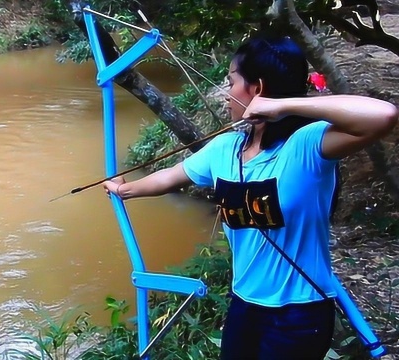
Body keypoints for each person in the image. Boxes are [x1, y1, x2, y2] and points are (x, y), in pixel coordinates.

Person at [102, 35, 398, 359]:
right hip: (244, 306)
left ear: (256, 89)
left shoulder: (305, 146)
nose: (227, 95)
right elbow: (171, 177)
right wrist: (124, 189)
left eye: (231, 82)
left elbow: (382, 116)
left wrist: (282, 105)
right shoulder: (224, 149)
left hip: (299, 314)